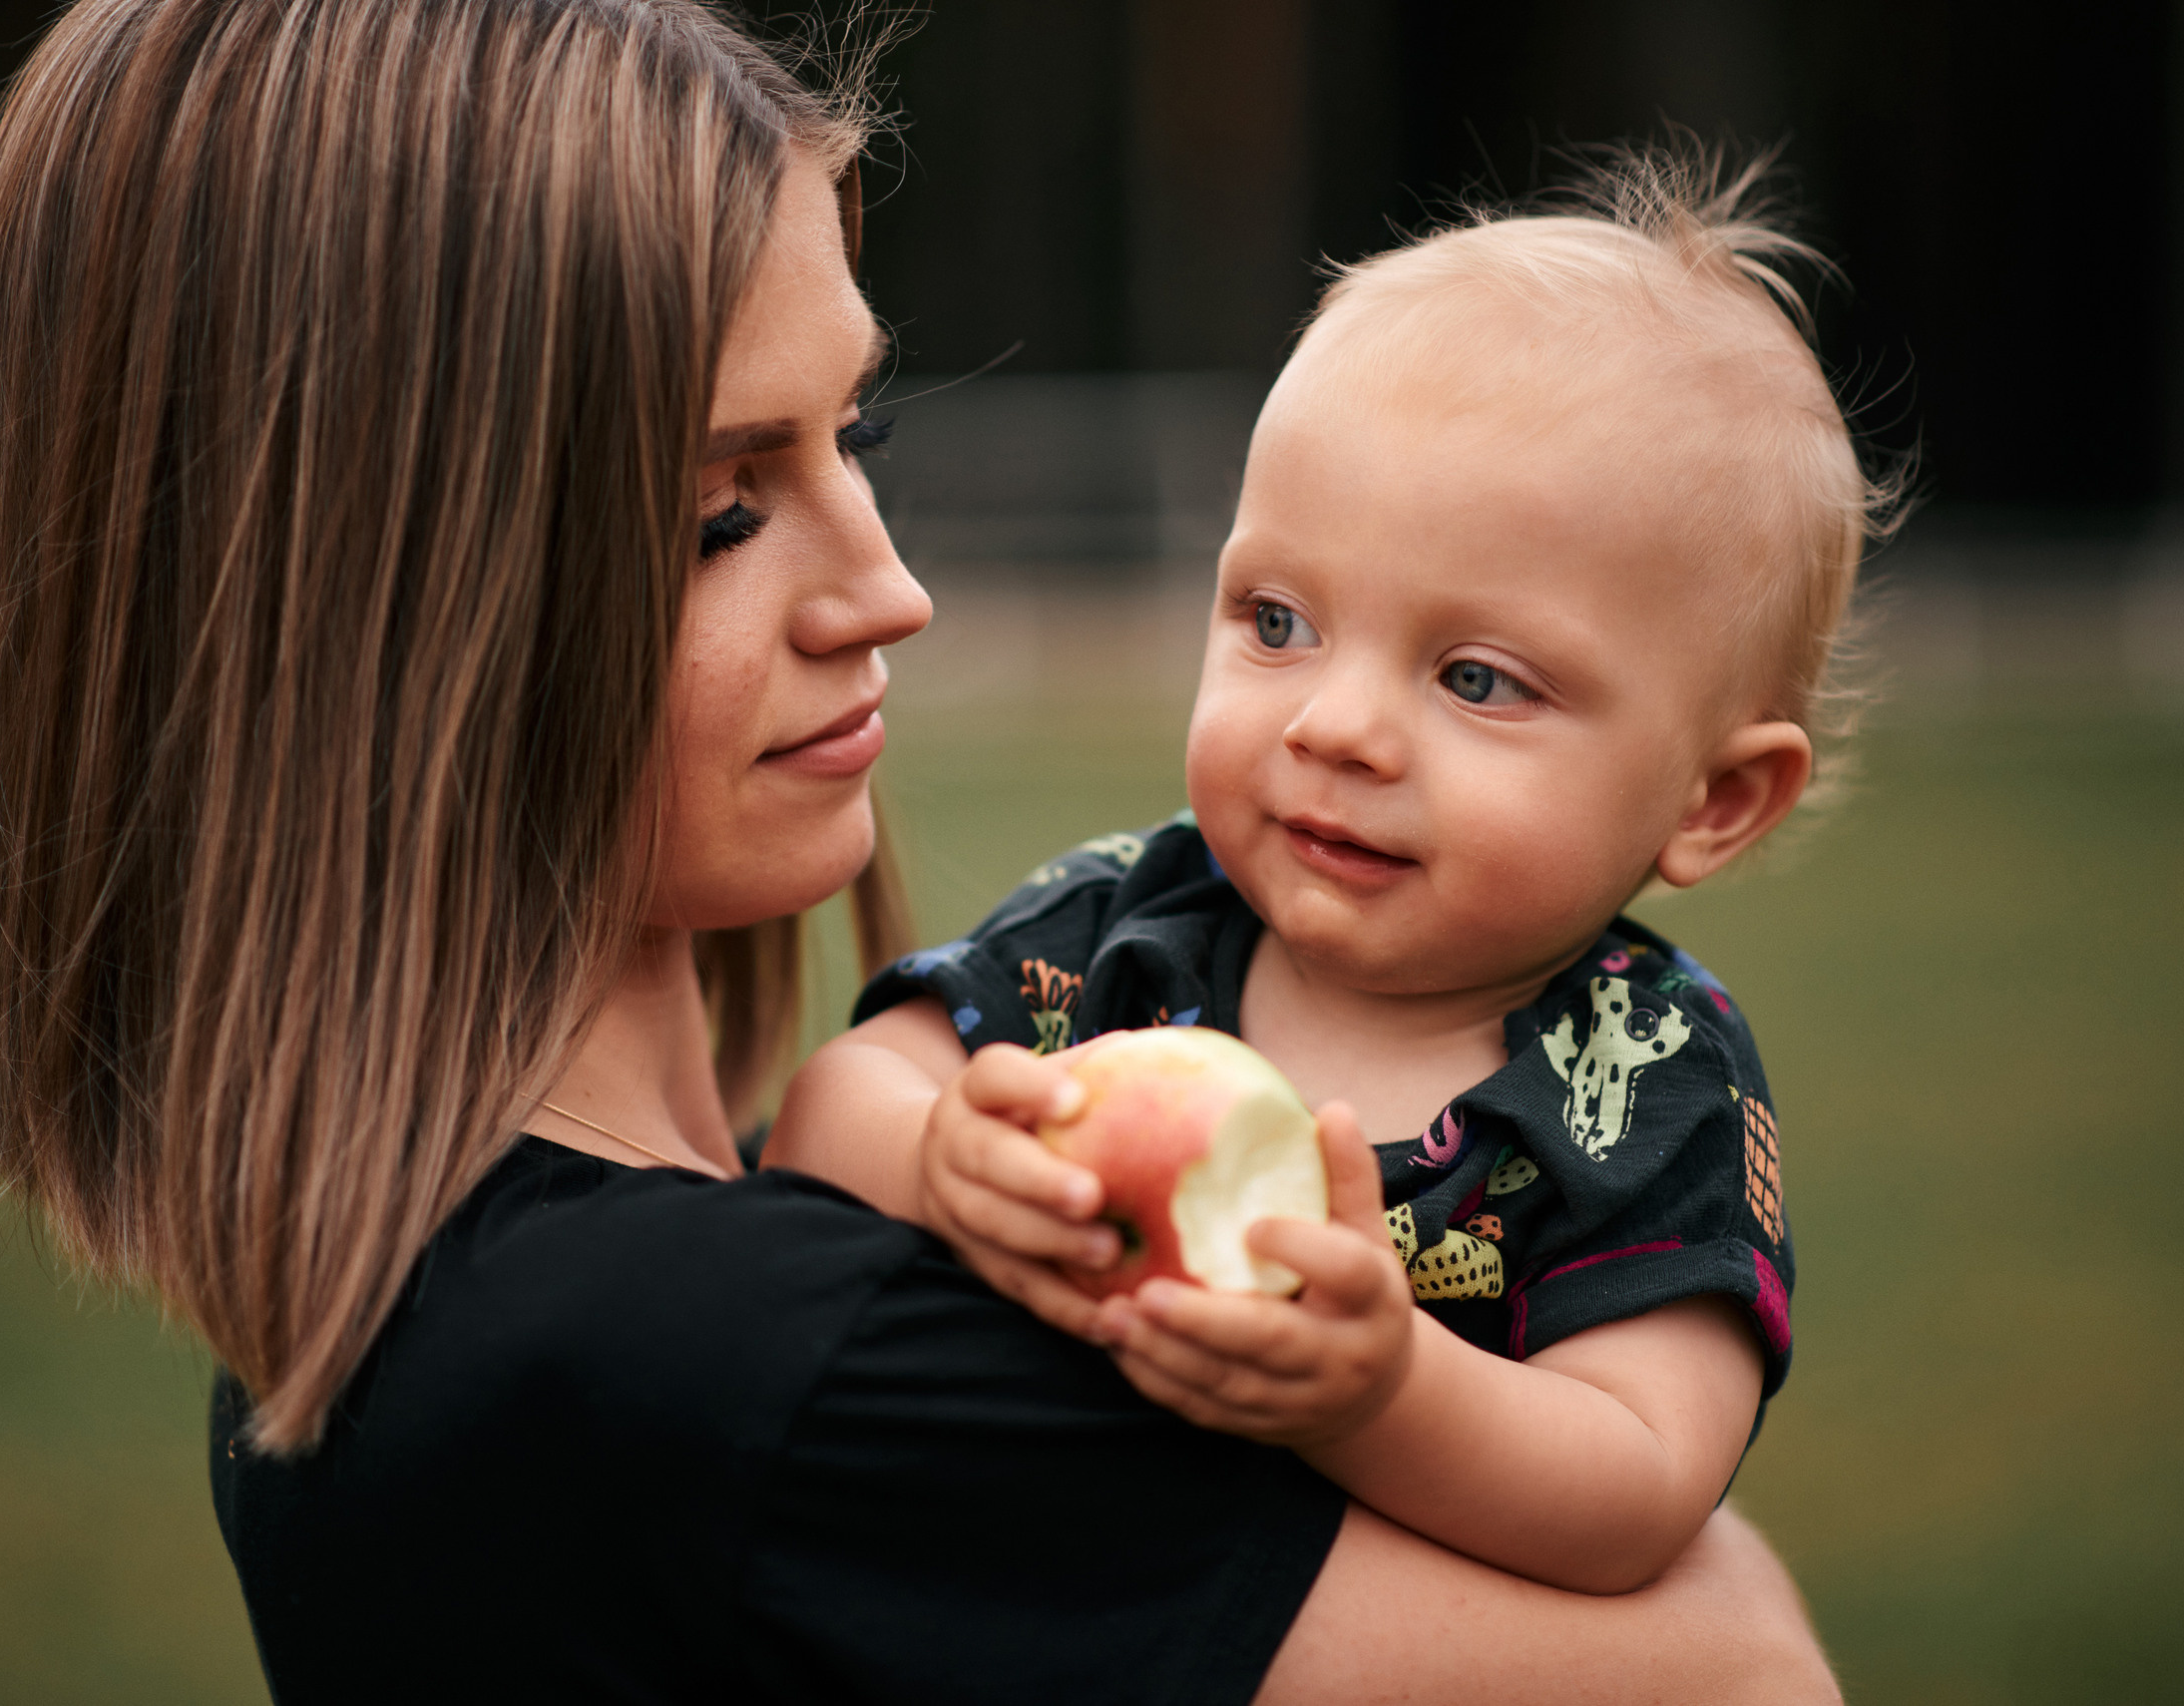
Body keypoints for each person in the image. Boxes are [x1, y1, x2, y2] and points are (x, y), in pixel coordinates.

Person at [0, 1, 1841, 1699]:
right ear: (364, 610)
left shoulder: (465, 1286)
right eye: (724, 510)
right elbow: (1742, 1664)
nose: (890, 590)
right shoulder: (714, 1362)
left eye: (858, 439)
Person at [771, 153, 1898, 1595]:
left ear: (1715, 800)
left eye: (1477, 678)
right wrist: (945, 1162)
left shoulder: (1649, 1081)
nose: (1336, 725)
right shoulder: (1130, 924)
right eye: (1278, 620)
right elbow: (827, 1113)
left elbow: (1642, 1482)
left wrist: (1382, 1393)